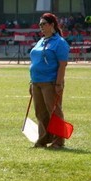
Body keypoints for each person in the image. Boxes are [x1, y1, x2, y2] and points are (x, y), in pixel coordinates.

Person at [30, 12, 70, 149]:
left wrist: (58, 83)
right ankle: (43, 139)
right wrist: (31, 82)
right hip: (36, 82)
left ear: (52, 25)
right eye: (39, 24)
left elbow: (62, 65)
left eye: (44, 24)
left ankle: (58, 141)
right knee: (40, 112)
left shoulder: (60, 42)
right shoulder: (40, 41)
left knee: (54, 112)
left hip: (51, 82)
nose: (41, 27)